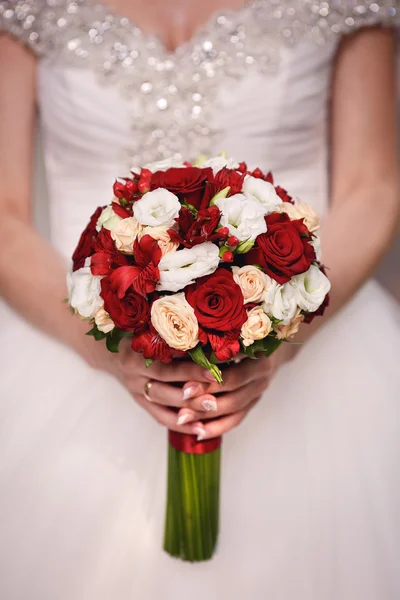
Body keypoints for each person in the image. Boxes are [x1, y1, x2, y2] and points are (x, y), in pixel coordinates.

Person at [0, 1, 400, 598]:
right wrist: (108, 350)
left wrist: (278, 337)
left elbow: (371, 185)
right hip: (68, 331)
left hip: (316, 337)